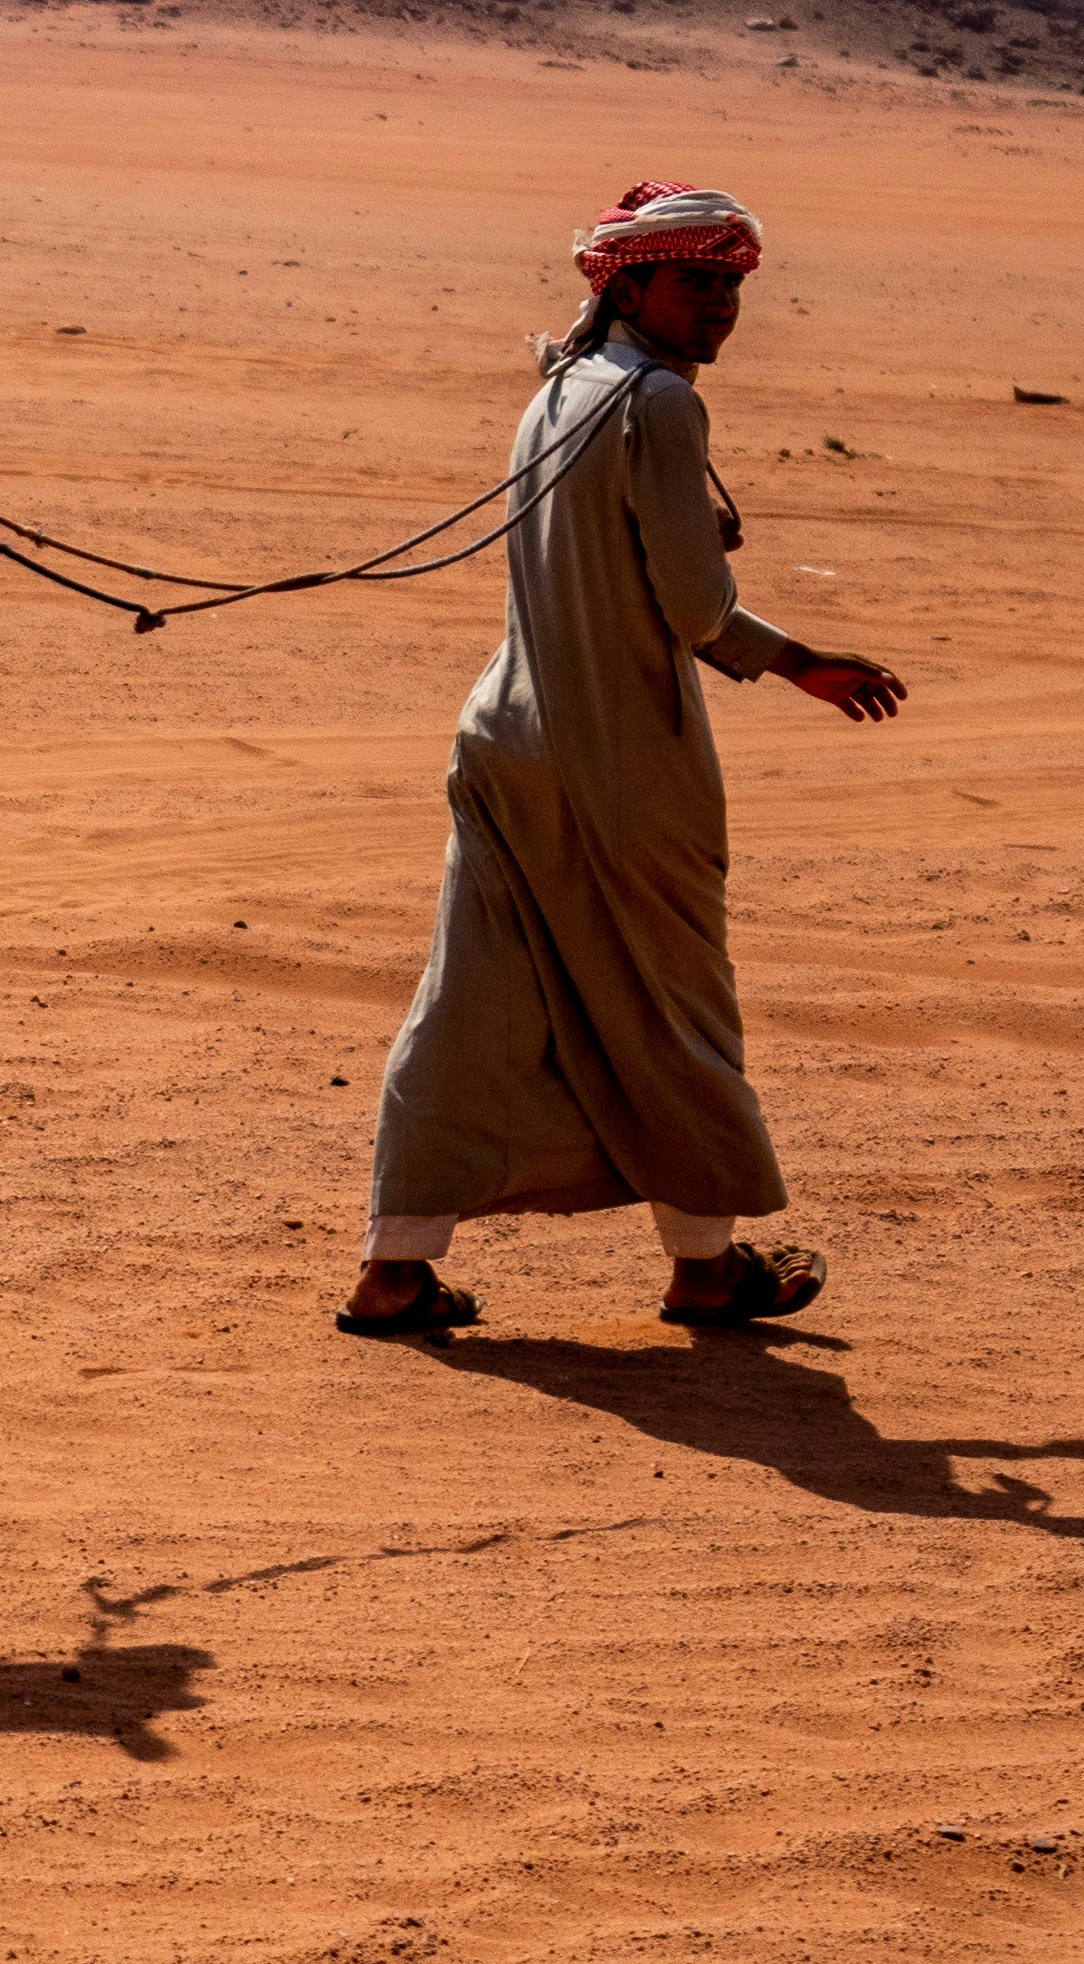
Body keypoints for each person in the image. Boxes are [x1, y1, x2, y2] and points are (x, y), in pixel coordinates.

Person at [341, 181, 908, 1339]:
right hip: (618, 758)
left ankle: (394, 1270)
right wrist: (804, 663)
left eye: (732, 285)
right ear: (632, 286)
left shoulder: (562, 386)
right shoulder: (659, 402)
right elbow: (696, 610)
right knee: (674, 1000)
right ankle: (706, 1267)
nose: (721, 305)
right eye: (697, 281)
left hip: (504, 736)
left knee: (470, 1005)